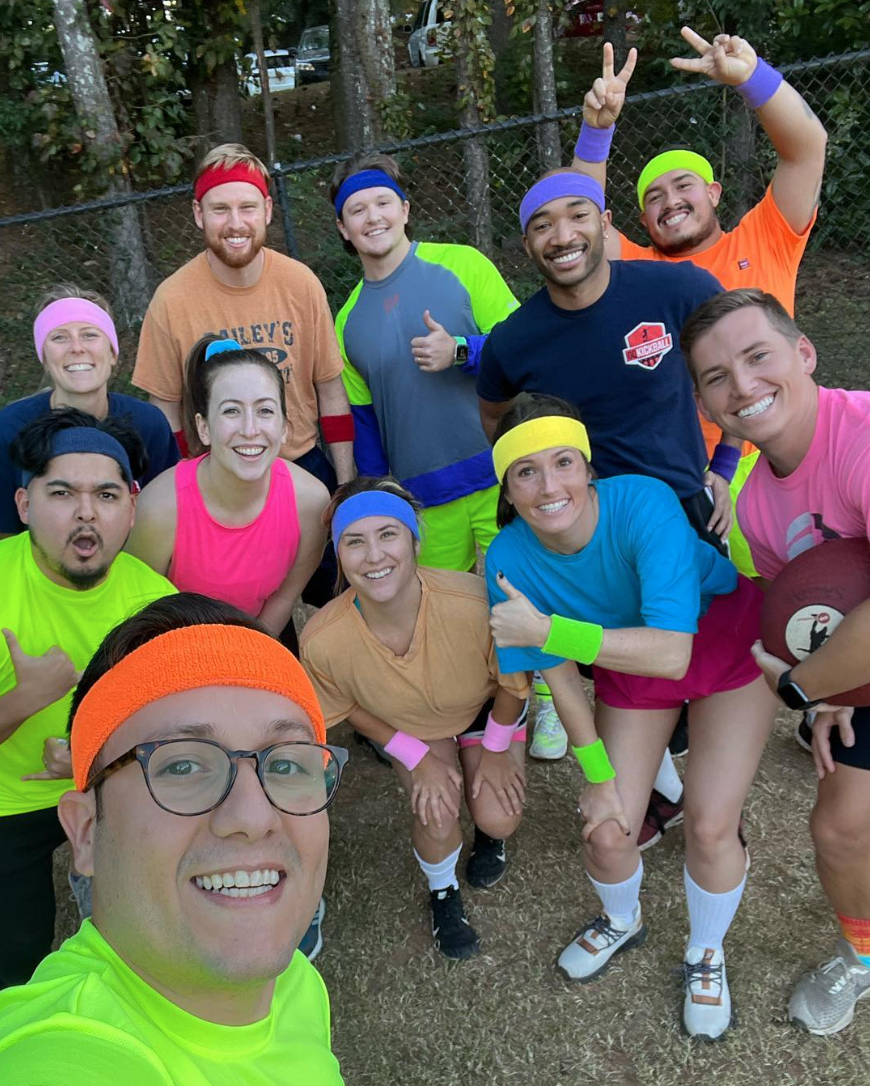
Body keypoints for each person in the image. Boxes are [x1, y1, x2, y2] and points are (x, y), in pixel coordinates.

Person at [0, 593, 361, 1086]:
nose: (253, 818)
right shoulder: (66, 1065)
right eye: (182, 765)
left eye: (286, 764)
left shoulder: (297, 986)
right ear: (85, 833)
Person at [485, 393, 775, 1041]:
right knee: (608, 828)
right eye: (525, 471)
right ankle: (623, 919)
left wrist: (550, 627)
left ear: (589, 466)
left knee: (710, 825)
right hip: (625, 659)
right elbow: (559, 675)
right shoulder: (505, 559)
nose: (549, 484)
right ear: (507, 487)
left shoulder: (642, 500)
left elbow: (673, 651)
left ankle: (705, 952)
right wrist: (595, 774)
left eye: (563, 461)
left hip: (724, 643)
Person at [476, 169, 728, 838]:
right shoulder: (513, 341)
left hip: (673, 516)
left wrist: (726, 465)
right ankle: (656, 793)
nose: (563, 235)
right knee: (617, 676)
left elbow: (734, 366)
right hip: (579, 534)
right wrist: (541, 486)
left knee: (688, 678)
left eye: (577, 215)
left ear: (604, 221)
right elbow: (497, 418)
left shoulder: (675, 288)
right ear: (526, 244)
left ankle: (711, 806)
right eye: (542, 225)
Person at [682, 288, 870, 1035]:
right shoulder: (752, 507)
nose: (741, 386)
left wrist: (805, 688)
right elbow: (822, 615)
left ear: (803, 353)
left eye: (757, 357)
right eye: (716, 377)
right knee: (841, 828)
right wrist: (838, 690)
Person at [0, 408, 176, 992]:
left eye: (106, 494)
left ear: (131, 508)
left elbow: (174, 723)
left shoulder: (154, 601)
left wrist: (93, 755)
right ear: (24, 506)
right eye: (62, 493)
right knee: (19, 958)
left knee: (138, 931)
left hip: (104, 783)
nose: (85, 512)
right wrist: (22, 700)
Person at [576, 31, 828, 577]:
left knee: (811, 597)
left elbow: (807, 148)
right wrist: (596, 134)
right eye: (653, 198)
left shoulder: (765, 236)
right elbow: (580, 224)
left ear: (713, 193)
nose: (670, 202)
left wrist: (753, 79)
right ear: (641, 222)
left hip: (785, 450)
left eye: (683, 186)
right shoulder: (637, 273)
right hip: (680, 472)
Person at [300, 477, 528, 959]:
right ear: (339, 557)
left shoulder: (473, 602)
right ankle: (443, 891)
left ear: (415, 541)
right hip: (413, 728)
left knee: (498, 815)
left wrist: (495, 751)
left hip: (486, 712)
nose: (374, 556)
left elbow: (512, 684)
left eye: (388, 534)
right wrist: (414, 756)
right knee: (436, 809)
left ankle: (489, 834)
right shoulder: (323, 638)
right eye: (354, 542)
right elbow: (348, 706)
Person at [330, 151, 519, 572]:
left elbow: (524, 346)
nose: (373, 217)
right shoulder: (346, 323)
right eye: (357, 210)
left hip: (503, 476)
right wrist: (381, 498)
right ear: (344, 227)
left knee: (530, 601)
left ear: (405, 209)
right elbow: (366, 426)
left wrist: (462, 351)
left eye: (383, 203)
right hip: (423, 500)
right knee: (444, 616)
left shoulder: (462, 263)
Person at [133, 143, 355, 497]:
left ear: (267, 210)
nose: (236, 224)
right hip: (214, 478)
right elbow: (165, 411)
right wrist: (180, 489)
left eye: (247, 208)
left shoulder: (300, 284)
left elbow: (330, 390)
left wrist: (345, 484)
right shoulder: (171, 300)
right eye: (220, 209)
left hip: (299, 466)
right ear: (198, 213)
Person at [129, 336, 330, 642]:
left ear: (284, 427)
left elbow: (284, 598)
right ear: (204, 427)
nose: (250, 430)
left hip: (261, 640)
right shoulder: (159, 509)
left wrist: (246, 656)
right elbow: (139, 614)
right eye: (231, 411)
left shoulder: (312, 502)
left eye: (264, 411)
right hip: (174, 649)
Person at [0, 284, 178, 541]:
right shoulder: (4, 433)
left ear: (112, 353)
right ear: (43, 357)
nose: (77, 348)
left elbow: (168, 519)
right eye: (59, 337)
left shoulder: (149, 424)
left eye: (90, 335)